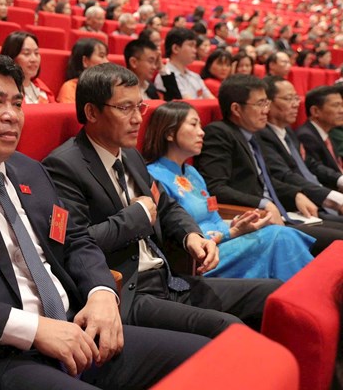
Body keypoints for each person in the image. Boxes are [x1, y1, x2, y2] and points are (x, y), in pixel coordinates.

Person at [0, 51, 210, 389]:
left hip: (76, 332)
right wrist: (35, 329)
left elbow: (75, 240)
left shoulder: (30, 171)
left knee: (206, 357)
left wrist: (100, 293)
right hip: (2, 355)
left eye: (17, 103)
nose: (12, 115)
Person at [42, 63, 281, 338]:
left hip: (167, 278)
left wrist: (191, 235)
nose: (137, 119)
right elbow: (74, 243)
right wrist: (137, 216)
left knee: (273, 294)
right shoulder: (63, 166)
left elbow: (165, 206)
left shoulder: (130, 155)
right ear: (92, 112)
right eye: (125, 108)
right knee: (228, 327)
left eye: (139, 107)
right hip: (128, 292)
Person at [143, 101, 314, 281]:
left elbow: (214, 216)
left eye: (200, 125)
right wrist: (231, 233)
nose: (202, 132)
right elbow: (173, 234)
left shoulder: (192, 173)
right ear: (169, 133)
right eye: (193, 125)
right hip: (201, 258)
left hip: (224, 242)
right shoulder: (153, 176)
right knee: (279, 236)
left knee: (282, 233)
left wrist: (236, 225)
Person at [194, 74, 343, 256]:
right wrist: (263, 203)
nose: (266, 110)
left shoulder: (251, 135)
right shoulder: (219, 133)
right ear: (236, 109)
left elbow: (266, 180)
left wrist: (295, 194)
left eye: (267, 103)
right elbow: (215, 187)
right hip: (256, 220)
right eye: (261, 104)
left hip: (281, 214)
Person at [258, 76, 343, 219]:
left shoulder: (287, 131)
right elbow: (285, 175)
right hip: (299, 206)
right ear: (268, 104)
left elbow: (308, 164)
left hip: (317, 198)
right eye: (288, 99)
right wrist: (336, 198)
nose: (296, 104)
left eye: (296, 98)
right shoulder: (262, 136)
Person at [155, 27, 215, 100]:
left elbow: (212, 100)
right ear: (175, 48)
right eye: (190, 45)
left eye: (195, 47)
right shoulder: (165, 78)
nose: (195, 51)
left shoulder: (195, 76)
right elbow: (187, 104)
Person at [297, 85, 343, 173]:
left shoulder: (326, 133)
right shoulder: (306, 136)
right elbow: (316, 170)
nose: (342, 111)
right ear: (315, 111)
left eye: (342, 105)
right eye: (336, 105)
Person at [1, 31, 55, 104]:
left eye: (36, 53)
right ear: (11, 58)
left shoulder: (41, 87)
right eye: (26, 53)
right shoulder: (3, 91)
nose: (34, 59)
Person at [57, 38, 108, 104]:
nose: (107, 61)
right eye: (101, 56)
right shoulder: (71, 87)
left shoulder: (107, 86)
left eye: (106, 57)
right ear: (85, 61)